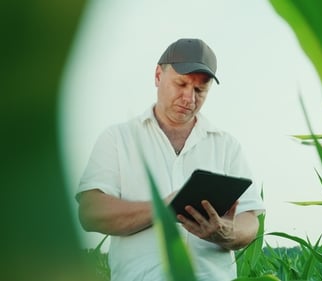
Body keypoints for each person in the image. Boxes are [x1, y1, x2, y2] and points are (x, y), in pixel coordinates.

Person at [76, 38, 265, 281]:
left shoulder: (227, 145)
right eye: (181, 84)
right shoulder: (117, 138)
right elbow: (90, 212)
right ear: (157, 75)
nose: (189, 98)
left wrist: (226, 232)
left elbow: (250, 220)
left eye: (200, 90)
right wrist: (163, 207)